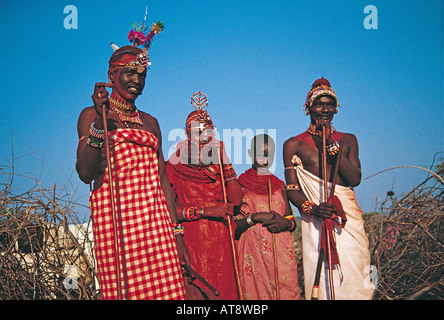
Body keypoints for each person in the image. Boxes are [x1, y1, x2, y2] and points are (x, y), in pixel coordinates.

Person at [75, 21, 187, 300]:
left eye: (142, 74)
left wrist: (177, 234)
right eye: (129, 73)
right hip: (119, 226)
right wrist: (100, 124)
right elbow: (85, 173)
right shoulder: (92, 115)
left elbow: (162, 180)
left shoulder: (151, 123)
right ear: (111, 75)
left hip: (157, 225)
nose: (137, 80)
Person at [283, 77, 374, 300]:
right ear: (308, 109)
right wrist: (312, 209)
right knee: (322, 277)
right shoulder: (293, 144)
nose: (325, 109)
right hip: (315, 220)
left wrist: (331, 145)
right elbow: (292, 189)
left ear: (336, 109)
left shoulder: (348, 140)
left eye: (330, 104)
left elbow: (354, 179)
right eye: (319, 104)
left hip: (347, 219)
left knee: (357, 270)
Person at [166, 91, 242, 300]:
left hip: (222, 243)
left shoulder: (218, 160)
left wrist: (225, 164)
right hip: (190, 242)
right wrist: (207, 210)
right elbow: (168, 210)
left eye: (207, 132)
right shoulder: (175, 164)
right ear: (187, 134)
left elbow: (236, 201)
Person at [234, 134, 301, 300]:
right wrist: (254, 218)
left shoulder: (279, 185)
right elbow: (232, 227)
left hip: (281, 255)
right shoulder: (239, 186)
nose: (265, 159)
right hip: (251, 256)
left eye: (269, 154)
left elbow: (292, 222)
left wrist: (284, 222)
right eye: (260, 154)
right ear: (250, 153)